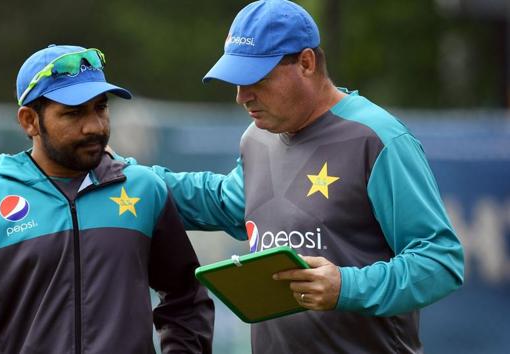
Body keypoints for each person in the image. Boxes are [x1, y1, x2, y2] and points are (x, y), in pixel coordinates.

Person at [126, 1, 465, 353]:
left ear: (306, 63)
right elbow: (228, 203)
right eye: (236, 82)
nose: (242, 97)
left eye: (256, 79)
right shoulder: (256, 137)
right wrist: (126, 175)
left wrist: (347, 287)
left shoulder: (377, 138)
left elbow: (441, 260)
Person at [0, 45, 214, 354]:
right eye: (73, 113)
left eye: (100, 107)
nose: (95, 127)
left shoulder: (144, 189)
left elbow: (186, 300)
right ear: (29, 121)